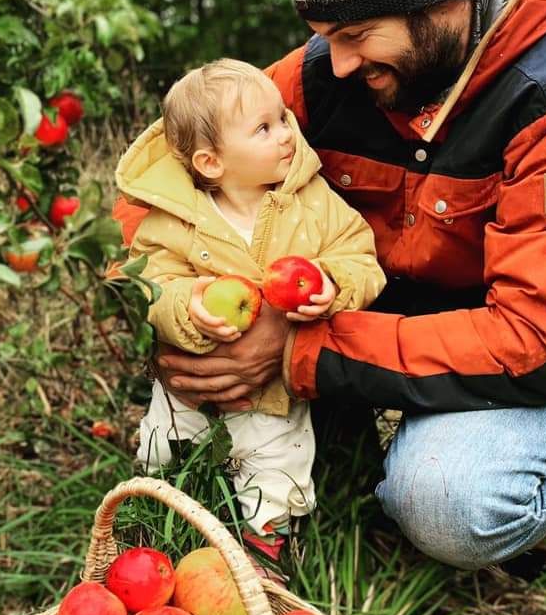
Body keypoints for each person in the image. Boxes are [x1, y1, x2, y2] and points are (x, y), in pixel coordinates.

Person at [114, 0, 546, 574]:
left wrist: (295, 353)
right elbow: (166, 178)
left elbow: (537, 339)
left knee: (444, 500)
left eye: (354, 37)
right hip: (410, 307)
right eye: (325, 36)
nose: (337, 64)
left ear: (437, 3)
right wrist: (178, 301)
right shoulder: (337, 67)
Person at [115, 58, 385, 560]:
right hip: (189, 383)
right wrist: (186, 306)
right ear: (211, 162)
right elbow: (150, 282)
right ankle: (154, 527)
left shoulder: (311, 200)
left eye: (284, 118)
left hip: (273, 389)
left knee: (275, 465)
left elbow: (360, 256)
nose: (286, 134)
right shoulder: (176, 219)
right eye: (264, 128)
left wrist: (334, 284)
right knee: (162, 447)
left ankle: (269, 548)